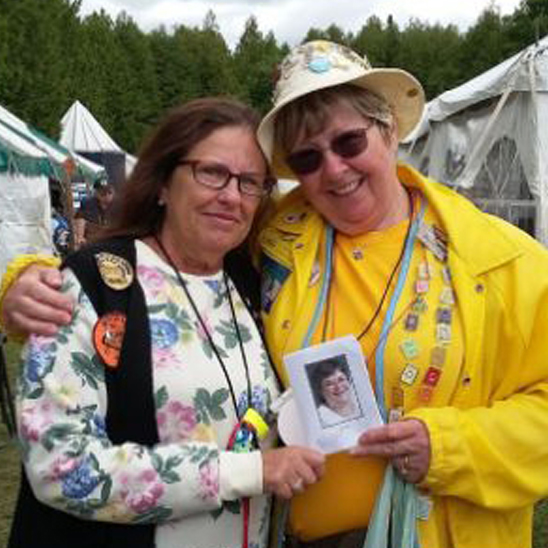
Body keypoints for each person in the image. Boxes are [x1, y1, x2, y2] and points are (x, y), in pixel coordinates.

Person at [2, 40, 548, 548]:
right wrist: (24, 279)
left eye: (349, 141)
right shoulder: (278, 240)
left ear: (388, 133)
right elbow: (166, 254)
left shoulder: (501, 259)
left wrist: (451, 446)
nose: (333, 169)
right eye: (306, 159)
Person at [3, 97, 325, 548]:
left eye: (250, 182)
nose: (232, 195)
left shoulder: (250, 286)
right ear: (161, 184)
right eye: (212, 172)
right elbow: (60, 467)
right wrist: (249, 472)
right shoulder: (93, 283)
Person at [309, 359, 360, 427]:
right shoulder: (321, 418)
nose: (338, 386)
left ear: (348, 381)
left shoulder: (360, 399)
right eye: (329, 384)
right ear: (321, 391)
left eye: (341, 379)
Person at [73, 177, 115, 248]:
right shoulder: (88, 204)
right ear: (96, 193)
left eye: (109, 193)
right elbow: (80, 219)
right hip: (92, 242)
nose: (107, 196)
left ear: (114, 192)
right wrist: (80, 237)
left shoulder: (118, 205)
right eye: (103, 193)